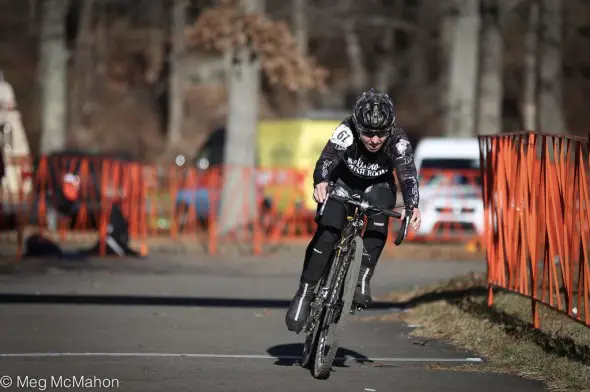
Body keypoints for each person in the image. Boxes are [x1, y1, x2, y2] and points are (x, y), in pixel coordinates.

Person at [285, 88, 422, 333]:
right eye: (368, 133)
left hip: (378, 187)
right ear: (357, 127)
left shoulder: (398, 140)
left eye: (380, 134)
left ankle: (362, 277)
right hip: (343, 183)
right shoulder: (346, 130)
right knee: (328, 233)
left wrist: (412, 205)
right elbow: (327, 158)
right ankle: (305, 292)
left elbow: (408, 175)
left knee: (380, 217)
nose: (374, 140)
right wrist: (322, 181)